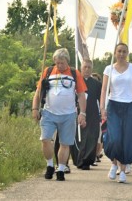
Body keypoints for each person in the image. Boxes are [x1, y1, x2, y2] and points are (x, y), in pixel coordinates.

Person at [32, 48, 87, 181]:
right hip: (49, 113)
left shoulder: (74, 73)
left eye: (62, 63)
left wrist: (83, 113)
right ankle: (50, 165)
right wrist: (35, 108)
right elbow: (38, 92)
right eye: (57, 63)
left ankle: (61, 169)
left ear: (67, 61)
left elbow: (81, 95)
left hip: (68, 114)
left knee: (65, 143)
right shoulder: (48, 72)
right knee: (45, 139)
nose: (60, 65)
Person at [100, 42, 132, 183]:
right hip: (113, 106)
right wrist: (102, 108)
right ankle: (114, 164)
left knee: (126, 139)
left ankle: (123, 168)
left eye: (124, 51)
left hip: (128, 106)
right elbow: (104, 90)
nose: (121, 54)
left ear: (127, 53)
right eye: (119, 51)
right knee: (114, 138)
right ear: (115, 52)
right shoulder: (109, 69)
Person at [75, 59, 102, 170]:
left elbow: (101, 99)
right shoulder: (76, 81)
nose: (86, 69)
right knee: (78, 137)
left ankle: (87, 160)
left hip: (92, 113)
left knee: (91, 137)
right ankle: (78, 159)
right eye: (85, 67)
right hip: (77, 112)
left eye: (89, 67)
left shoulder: (96, 84)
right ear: (81, 67)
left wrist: (103, 111)